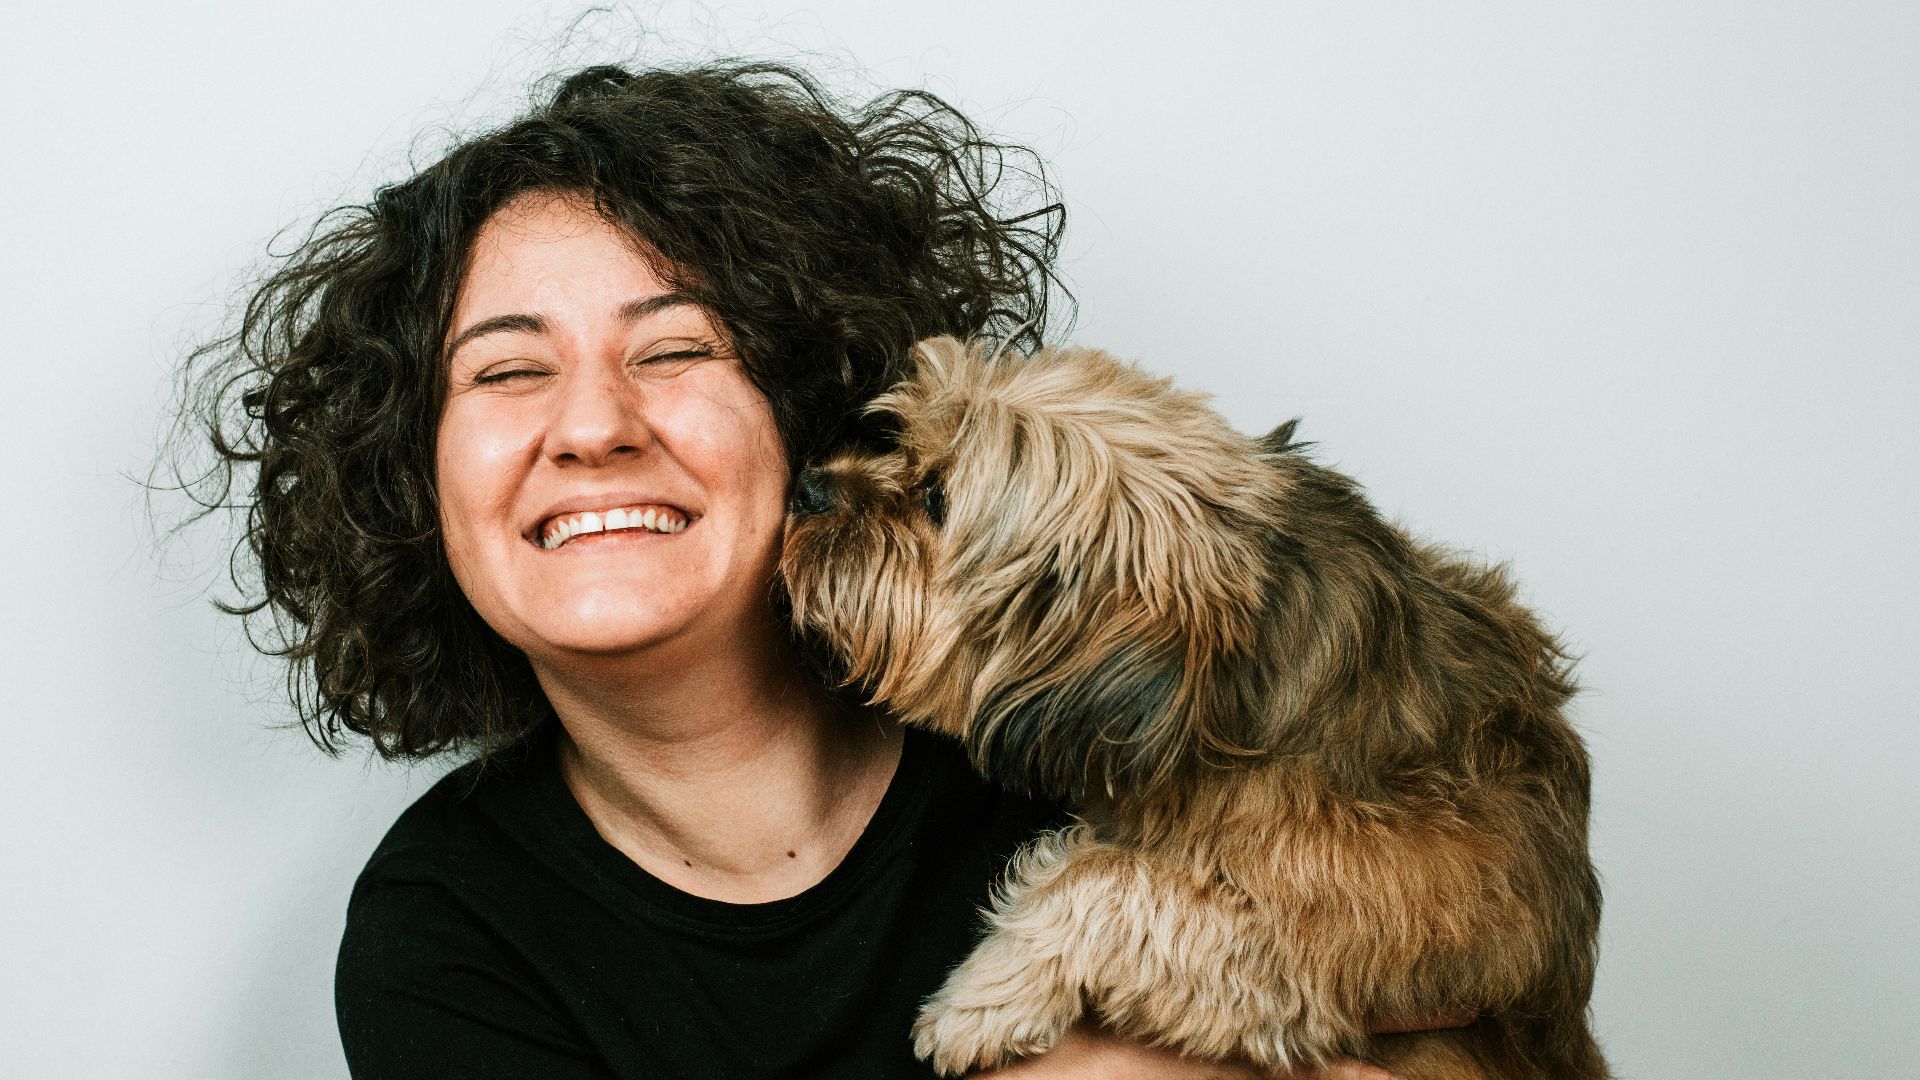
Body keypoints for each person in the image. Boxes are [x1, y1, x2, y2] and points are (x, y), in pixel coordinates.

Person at [178, 59, 1453, 1078]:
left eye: (674, 351)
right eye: (509, 370)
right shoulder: (446, 935)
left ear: (808, 405)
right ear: (412, 484)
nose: (592, 425)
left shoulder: (1105, 714)